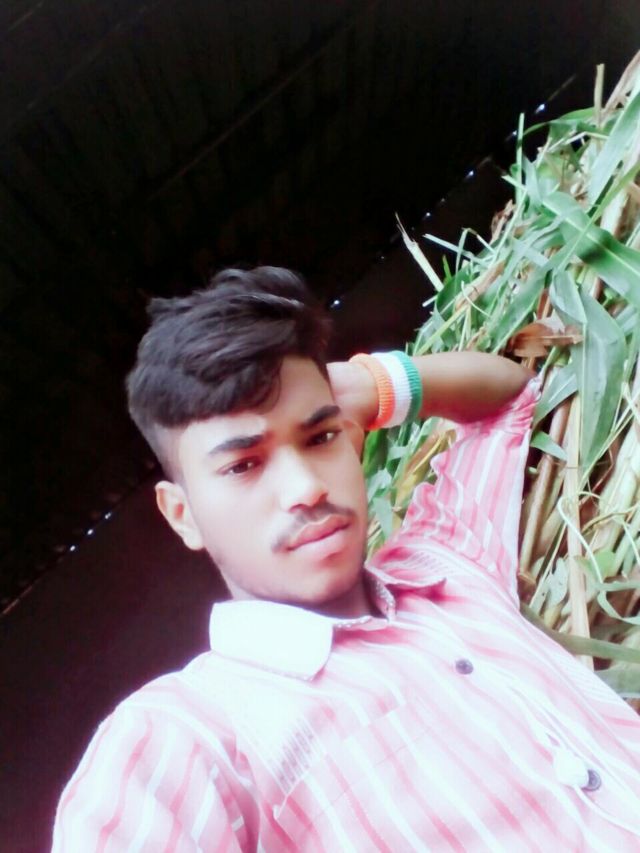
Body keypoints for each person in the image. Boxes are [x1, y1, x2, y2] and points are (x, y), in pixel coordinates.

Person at [52, 266, 640, 851]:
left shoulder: (448, 563)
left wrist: (369, 385)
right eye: (243, 465)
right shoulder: (190, 735)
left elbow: (507, 399)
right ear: (182, 515)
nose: (306, 486)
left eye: (320, 438)